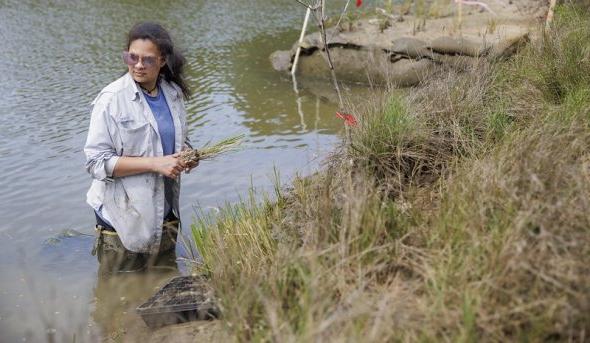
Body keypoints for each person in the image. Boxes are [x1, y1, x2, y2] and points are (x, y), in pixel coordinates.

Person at [84, 22, 197, 273]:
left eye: (147, 60)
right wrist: (157, 163)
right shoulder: (111, 99)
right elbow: (95, 163)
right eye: (132, 57)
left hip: (165, 213)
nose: (138, 65)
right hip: (121, 218)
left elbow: (177, 140)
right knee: (116, 298)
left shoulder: (173, 93)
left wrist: (189, 154)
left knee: (163, 281)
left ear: (163, 61)